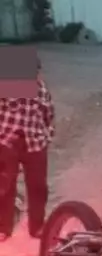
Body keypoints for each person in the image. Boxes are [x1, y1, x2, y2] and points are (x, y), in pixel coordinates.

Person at [0, 56, 54, 242]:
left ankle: (37, 227)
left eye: (37, 72)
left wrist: (47, 136)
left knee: (39, 186)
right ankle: (3, 228)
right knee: (5, 186)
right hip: (7, 140)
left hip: (35, 141)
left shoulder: (42, 90)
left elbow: (48, 114)